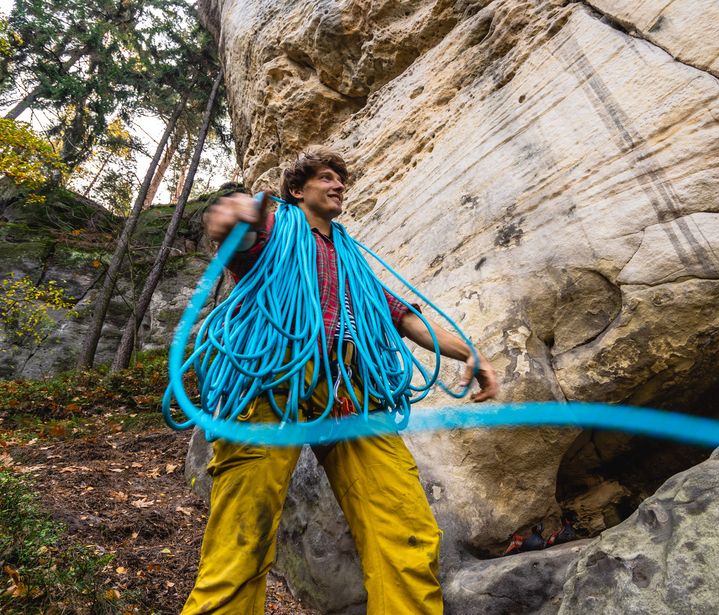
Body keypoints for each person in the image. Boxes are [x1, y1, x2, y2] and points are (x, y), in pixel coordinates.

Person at [181, 146, 498, 615]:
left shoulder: (351, 258)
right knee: (241, 541)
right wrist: (232, 220)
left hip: (350, 390)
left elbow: (402, 317)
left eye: (341, 180)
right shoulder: (273, 231)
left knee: (405, 529)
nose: (338, 186)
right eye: (327, 177)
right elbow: (242, 238)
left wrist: (470, 352)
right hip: (273, 381)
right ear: (296, 190)